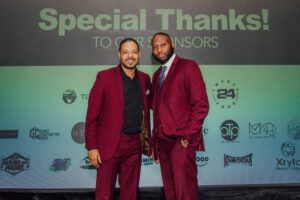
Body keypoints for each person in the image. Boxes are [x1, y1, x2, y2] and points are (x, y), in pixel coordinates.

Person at [85, 38, 151, 200]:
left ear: (139, 55)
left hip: (134, 143)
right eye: (126, 52)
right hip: (109, 143)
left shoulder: (144, 79)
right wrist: (92, 146)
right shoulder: (104, 77)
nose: (130, 56)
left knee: (130, 192)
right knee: (104, 193)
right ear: (119, 55)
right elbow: (92, 115)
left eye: (134, 52)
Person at [151, 32, 209, 200]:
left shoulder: (188, 66)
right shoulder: (157, 75)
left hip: (181, 142)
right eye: (155, 47)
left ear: (172, 44)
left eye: (163, 45)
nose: (159, 50)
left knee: (185, 192)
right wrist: (155, 144)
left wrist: (187, 136)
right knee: (171, 192)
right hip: (163, 142)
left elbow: (201, 105)